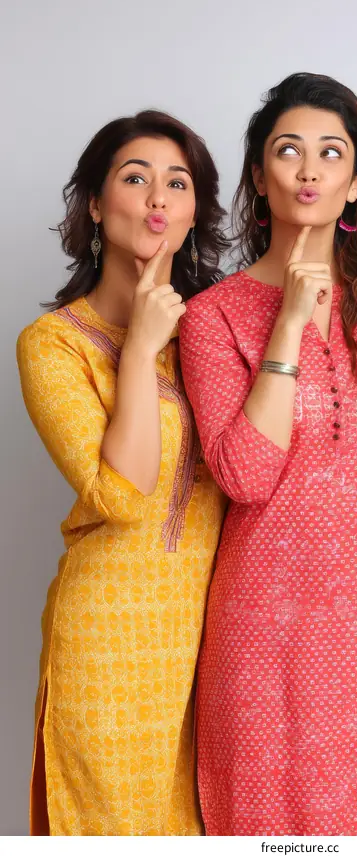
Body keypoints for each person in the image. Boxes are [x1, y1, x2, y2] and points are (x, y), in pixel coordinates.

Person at [179, 72, 357, 836]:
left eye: (330, 153)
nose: (308, 169)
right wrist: (290, 322)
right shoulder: (213, 317)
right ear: (260, 181)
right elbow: (245, 474)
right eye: (288, 151)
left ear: (356, 183)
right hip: (271, 634)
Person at [17, 110, 227, 835]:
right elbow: (123, 495)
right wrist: (138, 350)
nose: (157, 200)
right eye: (135, 179)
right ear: (97, 206)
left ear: (197, 210)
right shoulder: (54, 346)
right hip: (109, 649)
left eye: (178, 183)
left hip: (214, 650)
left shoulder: (219, 331)